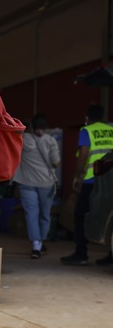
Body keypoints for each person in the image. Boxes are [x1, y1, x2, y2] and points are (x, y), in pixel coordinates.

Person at [60, 105, 113, 266]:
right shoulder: (111, 130)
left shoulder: (87, 130)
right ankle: (111, 255)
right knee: (109, 217)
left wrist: (77, 177)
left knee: (80, 216)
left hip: (92, 181)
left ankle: (81, 253)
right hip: (111, 180)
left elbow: (83, 154)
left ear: (88, 117)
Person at [12, 114, 60, 259]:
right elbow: (56, 162)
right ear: (45, 126)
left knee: (31, 214)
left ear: (32, 126)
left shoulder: (24, 140)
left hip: (27, 183)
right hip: (46, 184)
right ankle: (41, 241)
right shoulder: (51, 141)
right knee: (45, 215)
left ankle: (36, 245)